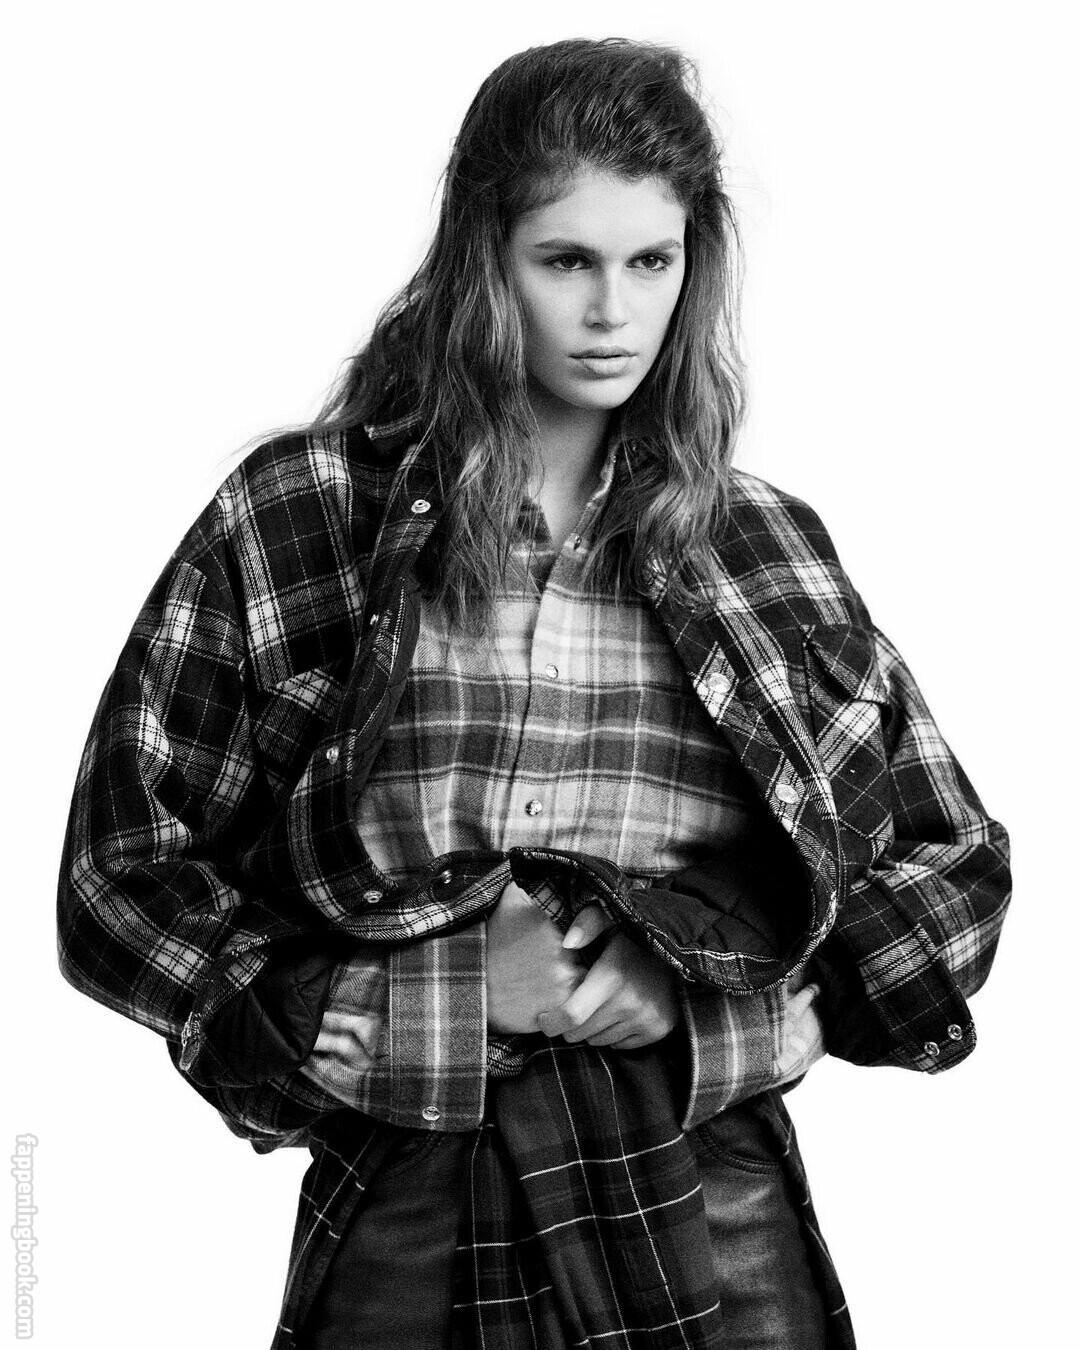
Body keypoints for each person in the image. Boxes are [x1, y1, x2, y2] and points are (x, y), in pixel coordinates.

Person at [56, 36, 1010, 1350]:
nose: (613, 311)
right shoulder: (303, 514)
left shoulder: (760, 546)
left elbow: (953, 861)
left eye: (652, 261)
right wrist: (418, 999)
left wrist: (715, 990)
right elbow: (121, 873)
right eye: (566, 261)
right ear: (482, 262)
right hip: (410, 1213)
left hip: (711, 1223)